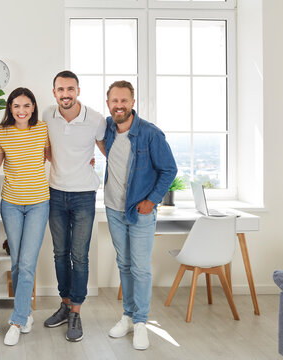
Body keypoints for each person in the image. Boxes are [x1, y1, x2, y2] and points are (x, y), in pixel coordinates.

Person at [103, 81, 176, 350]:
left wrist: (152, 200)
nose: (119, 105)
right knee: (124, 265)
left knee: (141, 268)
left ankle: (142, 322)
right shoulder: (109, 129)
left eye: (124, 100)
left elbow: (169, 169)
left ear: (132, 103)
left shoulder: (150, 134)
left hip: (140, 210)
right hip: (113, 208)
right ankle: (128, 317)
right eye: (114, 101)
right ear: (108, 103)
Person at [42, 70, 106, 342]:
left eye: (70, 89)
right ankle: (65, 304)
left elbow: (109, 152)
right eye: (60, 89)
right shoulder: (47, 115)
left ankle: (76, 312)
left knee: (79, 255)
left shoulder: (95, 120)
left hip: (83, 195)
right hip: (55, 192)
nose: (65, 94)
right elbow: (45, 148)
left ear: (78, 90)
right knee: (60, 253)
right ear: (54, 92)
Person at [0, 88, 50, 346]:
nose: (21, 110)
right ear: (10, 107)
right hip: (11, 204)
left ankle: (16, 321)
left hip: (39, 202)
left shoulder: (42, 129)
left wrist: (87, 163)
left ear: (33, 107)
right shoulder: (2, 132)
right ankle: (25, 312)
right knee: (17, 262)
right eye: (16, 106)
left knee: (27, 262)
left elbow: (53, 157)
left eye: (26, 105)